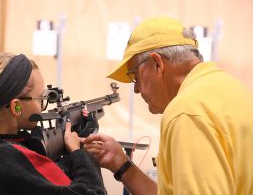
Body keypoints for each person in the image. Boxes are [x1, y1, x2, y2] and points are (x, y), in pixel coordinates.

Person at [83, 16, 253, 194]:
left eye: (135, 76)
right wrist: (119, 162)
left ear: (157, 64)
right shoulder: (233, 90)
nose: (136, 89)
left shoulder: (186, 112)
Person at [0, 53, 106, 195]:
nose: (43, 106)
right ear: (16, 107)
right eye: (40, 98)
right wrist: (80, 153)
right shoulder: (3, 159)